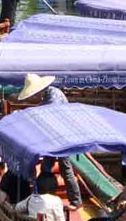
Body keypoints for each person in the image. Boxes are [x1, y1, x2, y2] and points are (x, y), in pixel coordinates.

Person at [18, 74, 82, 208]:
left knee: (65, 167)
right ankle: (44, 197)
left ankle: (76, 201)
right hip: (52, 135)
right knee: (46, 166)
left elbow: (50, 114)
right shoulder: (46, 96)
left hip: (63, 135)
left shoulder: (53, 96)